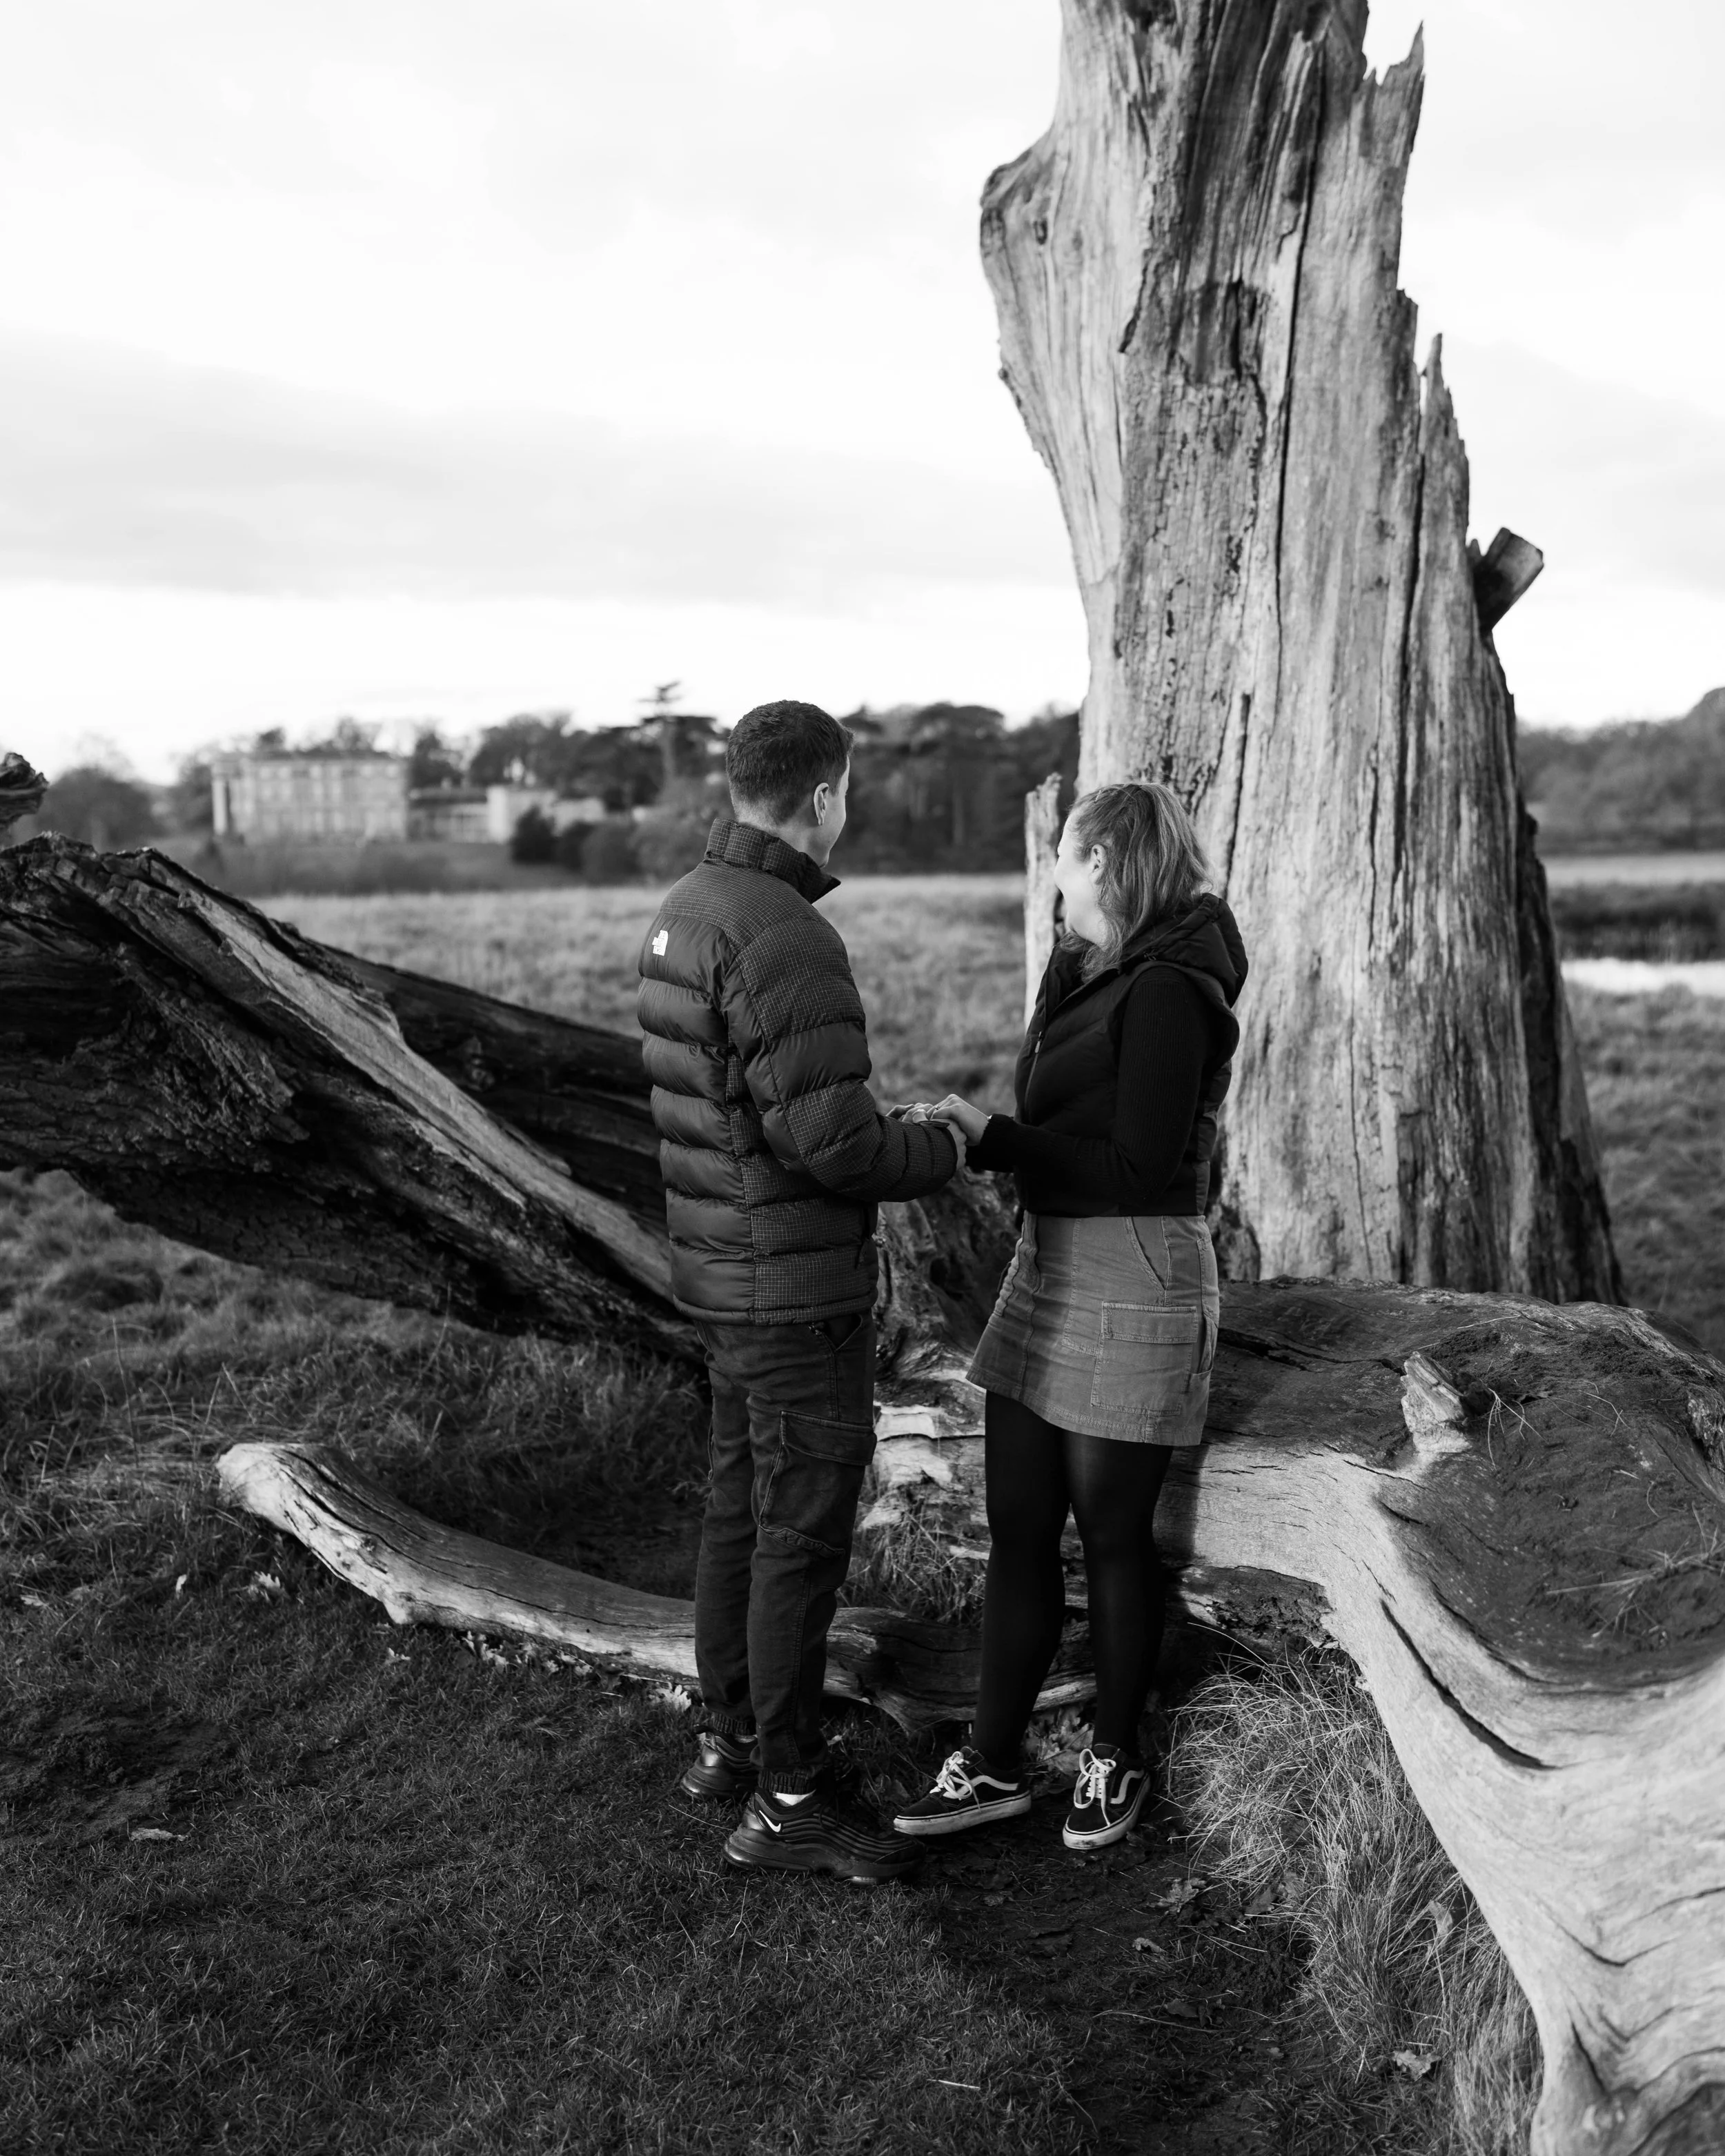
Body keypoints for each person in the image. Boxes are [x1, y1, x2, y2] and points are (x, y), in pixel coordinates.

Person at [637, 699, 964, 1883]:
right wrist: (941, 1149)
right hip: (790, 1289)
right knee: (799, 1538)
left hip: (722, 1278)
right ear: (825, 793)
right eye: (848, 793)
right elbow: (832, 1143)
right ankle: (787, 1795)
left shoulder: (686, 912)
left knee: (739, 1506)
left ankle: (729, 1741)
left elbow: (741, 1115)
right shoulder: (782, 935)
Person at [894, 779, 1247, 1852]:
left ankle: (1114, 1756)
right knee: (1017, 1527)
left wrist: (992, 1139)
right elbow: (1070, 1123)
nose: (1051, 872)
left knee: (1112, 1539)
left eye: (1064, 855)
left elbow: (1138, 1164)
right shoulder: (1085, 970)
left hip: (1136, 1267)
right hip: (1046, 1265)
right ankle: (992, 1765)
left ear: (1106, 865)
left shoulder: (1173, 990)